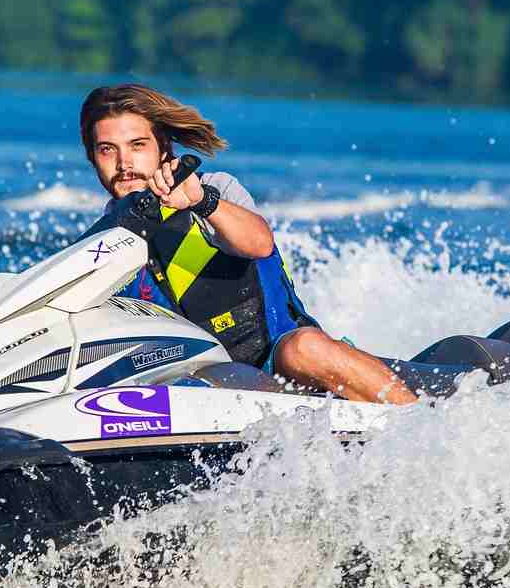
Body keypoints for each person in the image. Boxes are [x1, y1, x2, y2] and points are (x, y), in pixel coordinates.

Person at [77, 84, 416, 404]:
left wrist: (201, 201)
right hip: (195, 381)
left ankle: (420, 426)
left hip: (281, 358)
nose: (124, 164)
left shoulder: (214, 190)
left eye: (138, 145)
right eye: (108, 150)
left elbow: (259, 243)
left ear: (163, 147)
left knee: (303, 348)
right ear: (93, 158)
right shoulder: (97, 245)